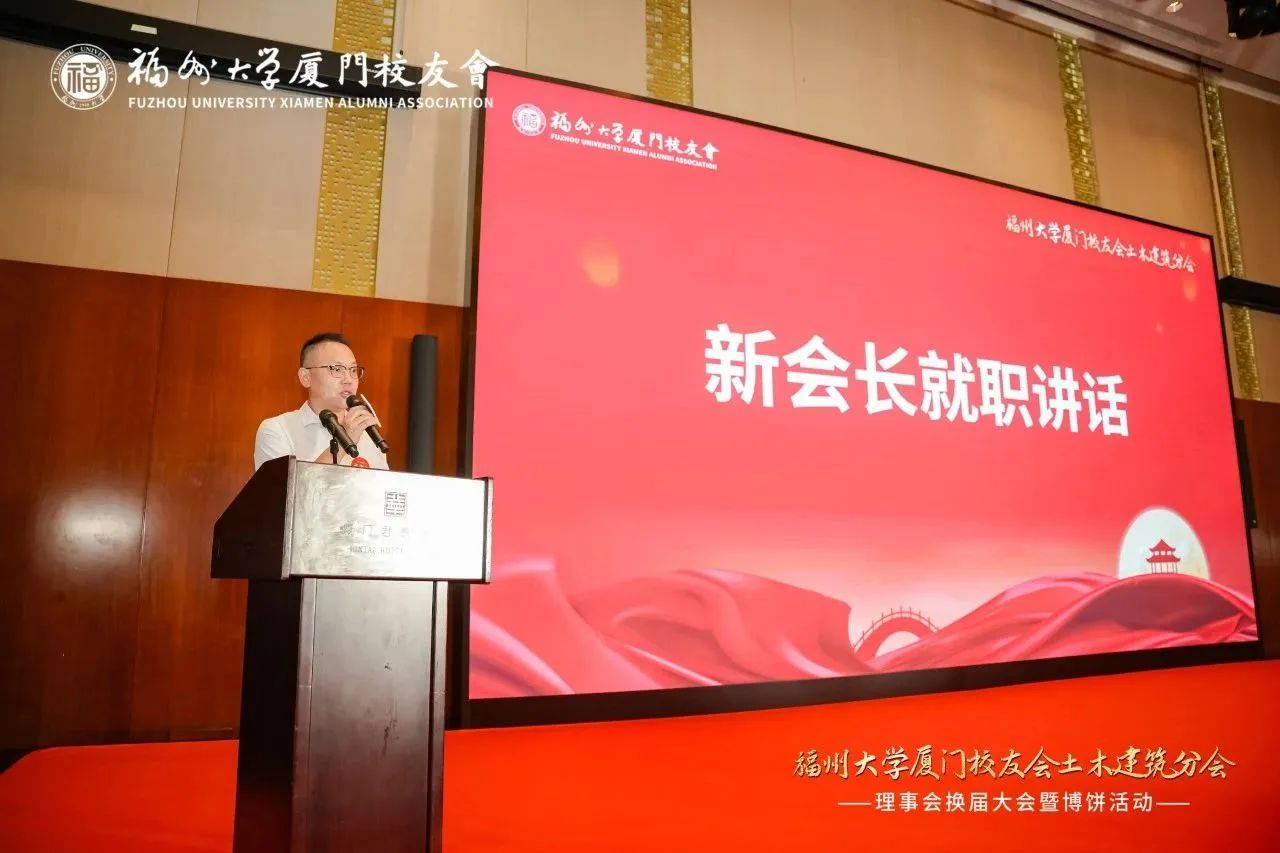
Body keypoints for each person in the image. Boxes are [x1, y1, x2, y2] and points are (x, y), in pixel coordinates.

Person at [253, 332, 389, 471]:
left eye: (353, 370)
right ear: (305, 377)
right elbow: (286, 486)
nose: (348, 379)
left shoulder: (368, 434)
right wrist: (345, 440)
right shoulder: (277, 430)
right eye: (337, 369)